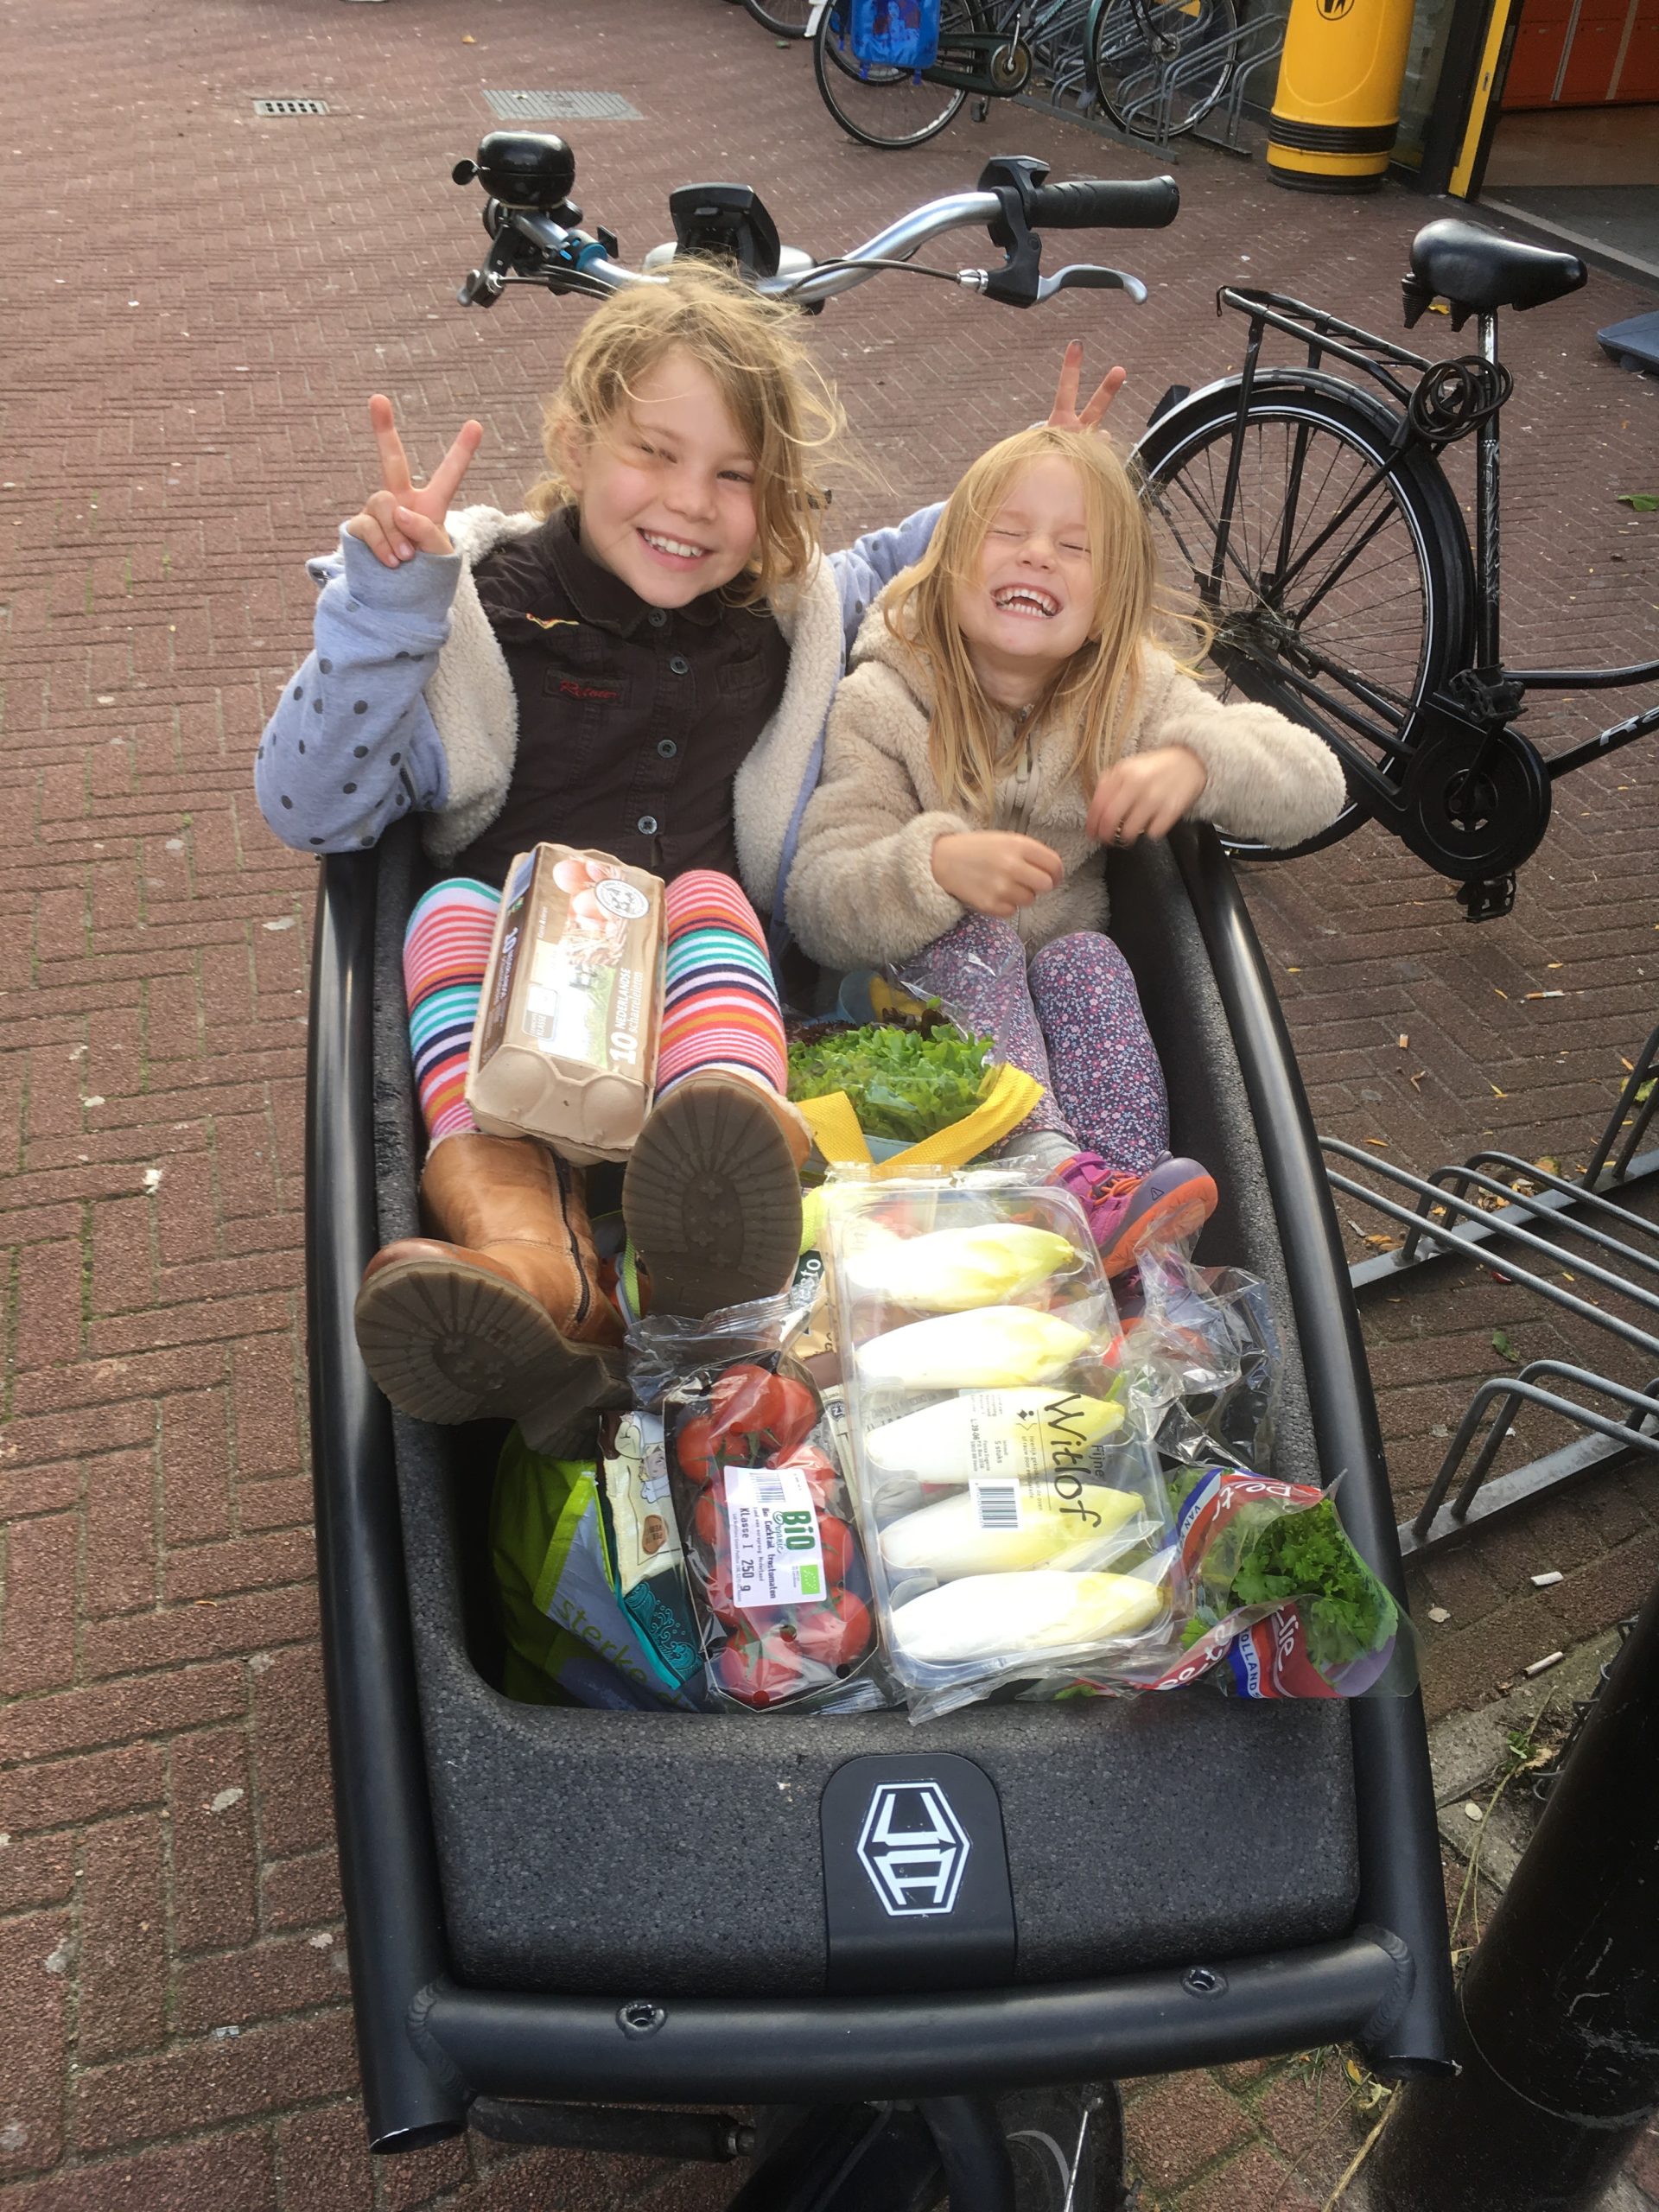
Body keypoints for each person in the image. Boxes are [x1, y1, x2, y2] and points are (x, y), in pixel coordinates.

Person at [257, 262, 1093, 1440]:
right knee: (448, 906)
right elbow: (308, 807)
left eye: (735, 476)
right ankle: (533, 1257)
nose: (692, 502)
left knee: (705, 894)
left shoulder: (781, 614)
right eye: (655, 453)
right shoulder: (476, 611)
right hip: (521, 1035)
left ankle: (712, 1196)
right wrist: (388, 609)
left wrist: (1034, 494)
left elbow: (908, 563)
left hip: (698, 1021)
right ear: (578, 439)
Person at [785, 416, 1348, 1276]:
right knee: (972, 937)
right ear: (949, 566)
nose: (1036, 554)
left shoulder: (1130, 694)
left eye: (1073, 547)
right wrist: (931, 866)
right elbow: (819, 903)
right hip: (904, 1039)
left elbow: (1318, 783)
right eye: (1006, 533)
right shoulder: (883, 701)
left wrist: (1197, 760)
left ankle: (1134, 1230)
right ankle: (1045, 1178)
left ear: (1106, 606)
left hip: (1052, 1025)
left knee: (1087, 959)